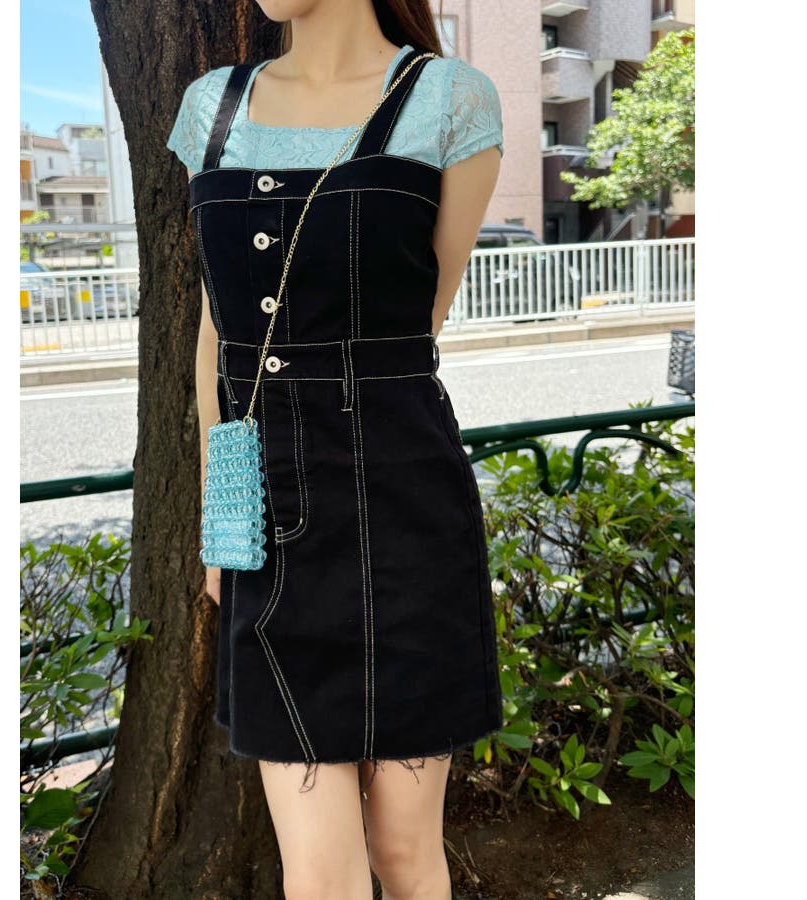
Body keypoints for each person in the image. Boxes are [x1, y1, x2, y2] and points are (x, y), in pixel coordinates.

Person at [167, 2, 504, 897]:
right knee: (318, 875)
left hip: (406, 514)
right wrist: (220, 514)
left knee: (404, 853)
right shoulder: (212, 108)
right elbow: (214, 333)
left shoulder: (451, 100)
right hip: (268, 521)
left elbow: (418, 324)